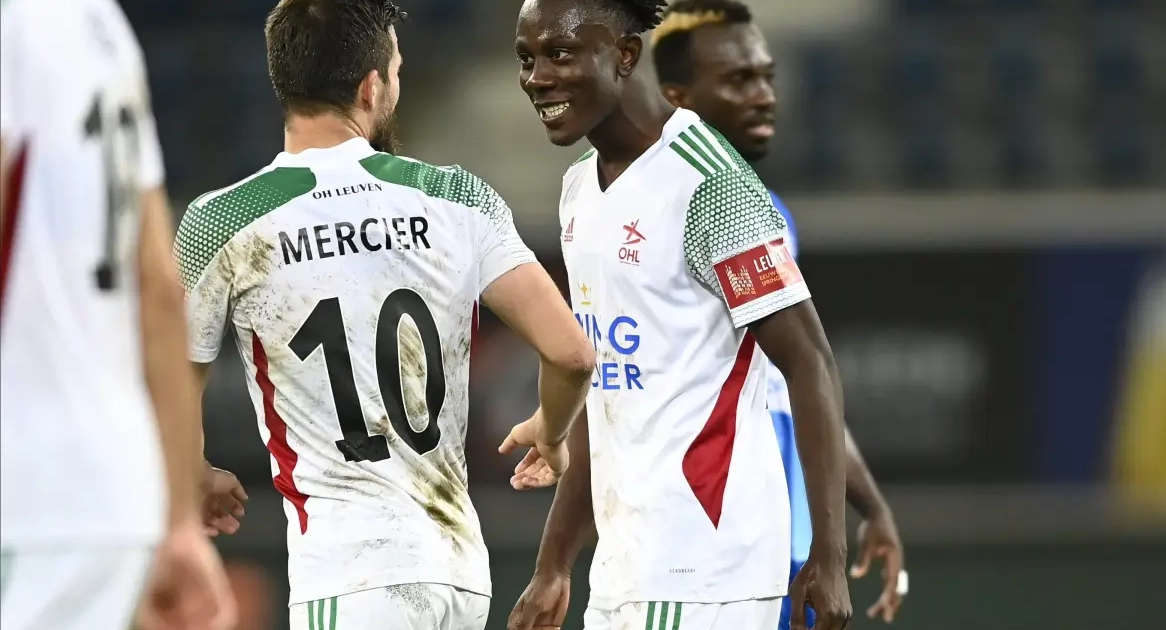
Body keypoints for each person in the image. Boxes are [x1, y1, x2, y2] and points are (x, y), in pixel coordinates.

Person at [173, 1, 595, 629]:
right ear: (372, 86)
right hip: (458, 572)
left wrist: (193, 470)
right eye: (397, 69)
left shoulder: (223, 221)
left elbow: (165, 379)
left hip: (348, 573)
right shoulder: (457, 196)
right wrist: (551, 430)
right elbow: (573, 354)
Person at [509, 1, 853, 629]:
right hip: (626, 567)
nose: (537, 78)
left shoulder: (709, 183)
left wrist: (829, 556)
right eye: (526, 59)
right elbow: (603, 385)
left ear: (625, 55)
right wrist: (554, 562)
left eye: (560, 54)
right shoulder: (578, 188)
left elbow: (809, 361)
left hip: (704, 564)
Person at [651, 1, 908, 625]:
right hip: (703, 552)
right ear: (676, 98)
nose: (765, 95)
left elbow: (789, 386)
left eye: (767, 77)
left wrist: (870, 506)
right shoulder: (652, 210)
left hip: (778, 547)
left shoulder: (762, 211)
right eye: (740, 79)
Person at [0, 0, 236, 629]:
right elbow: (158, 285)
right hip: (109, 496)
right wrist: (178, 520)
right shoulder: (102, 27)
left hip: (22, 490)